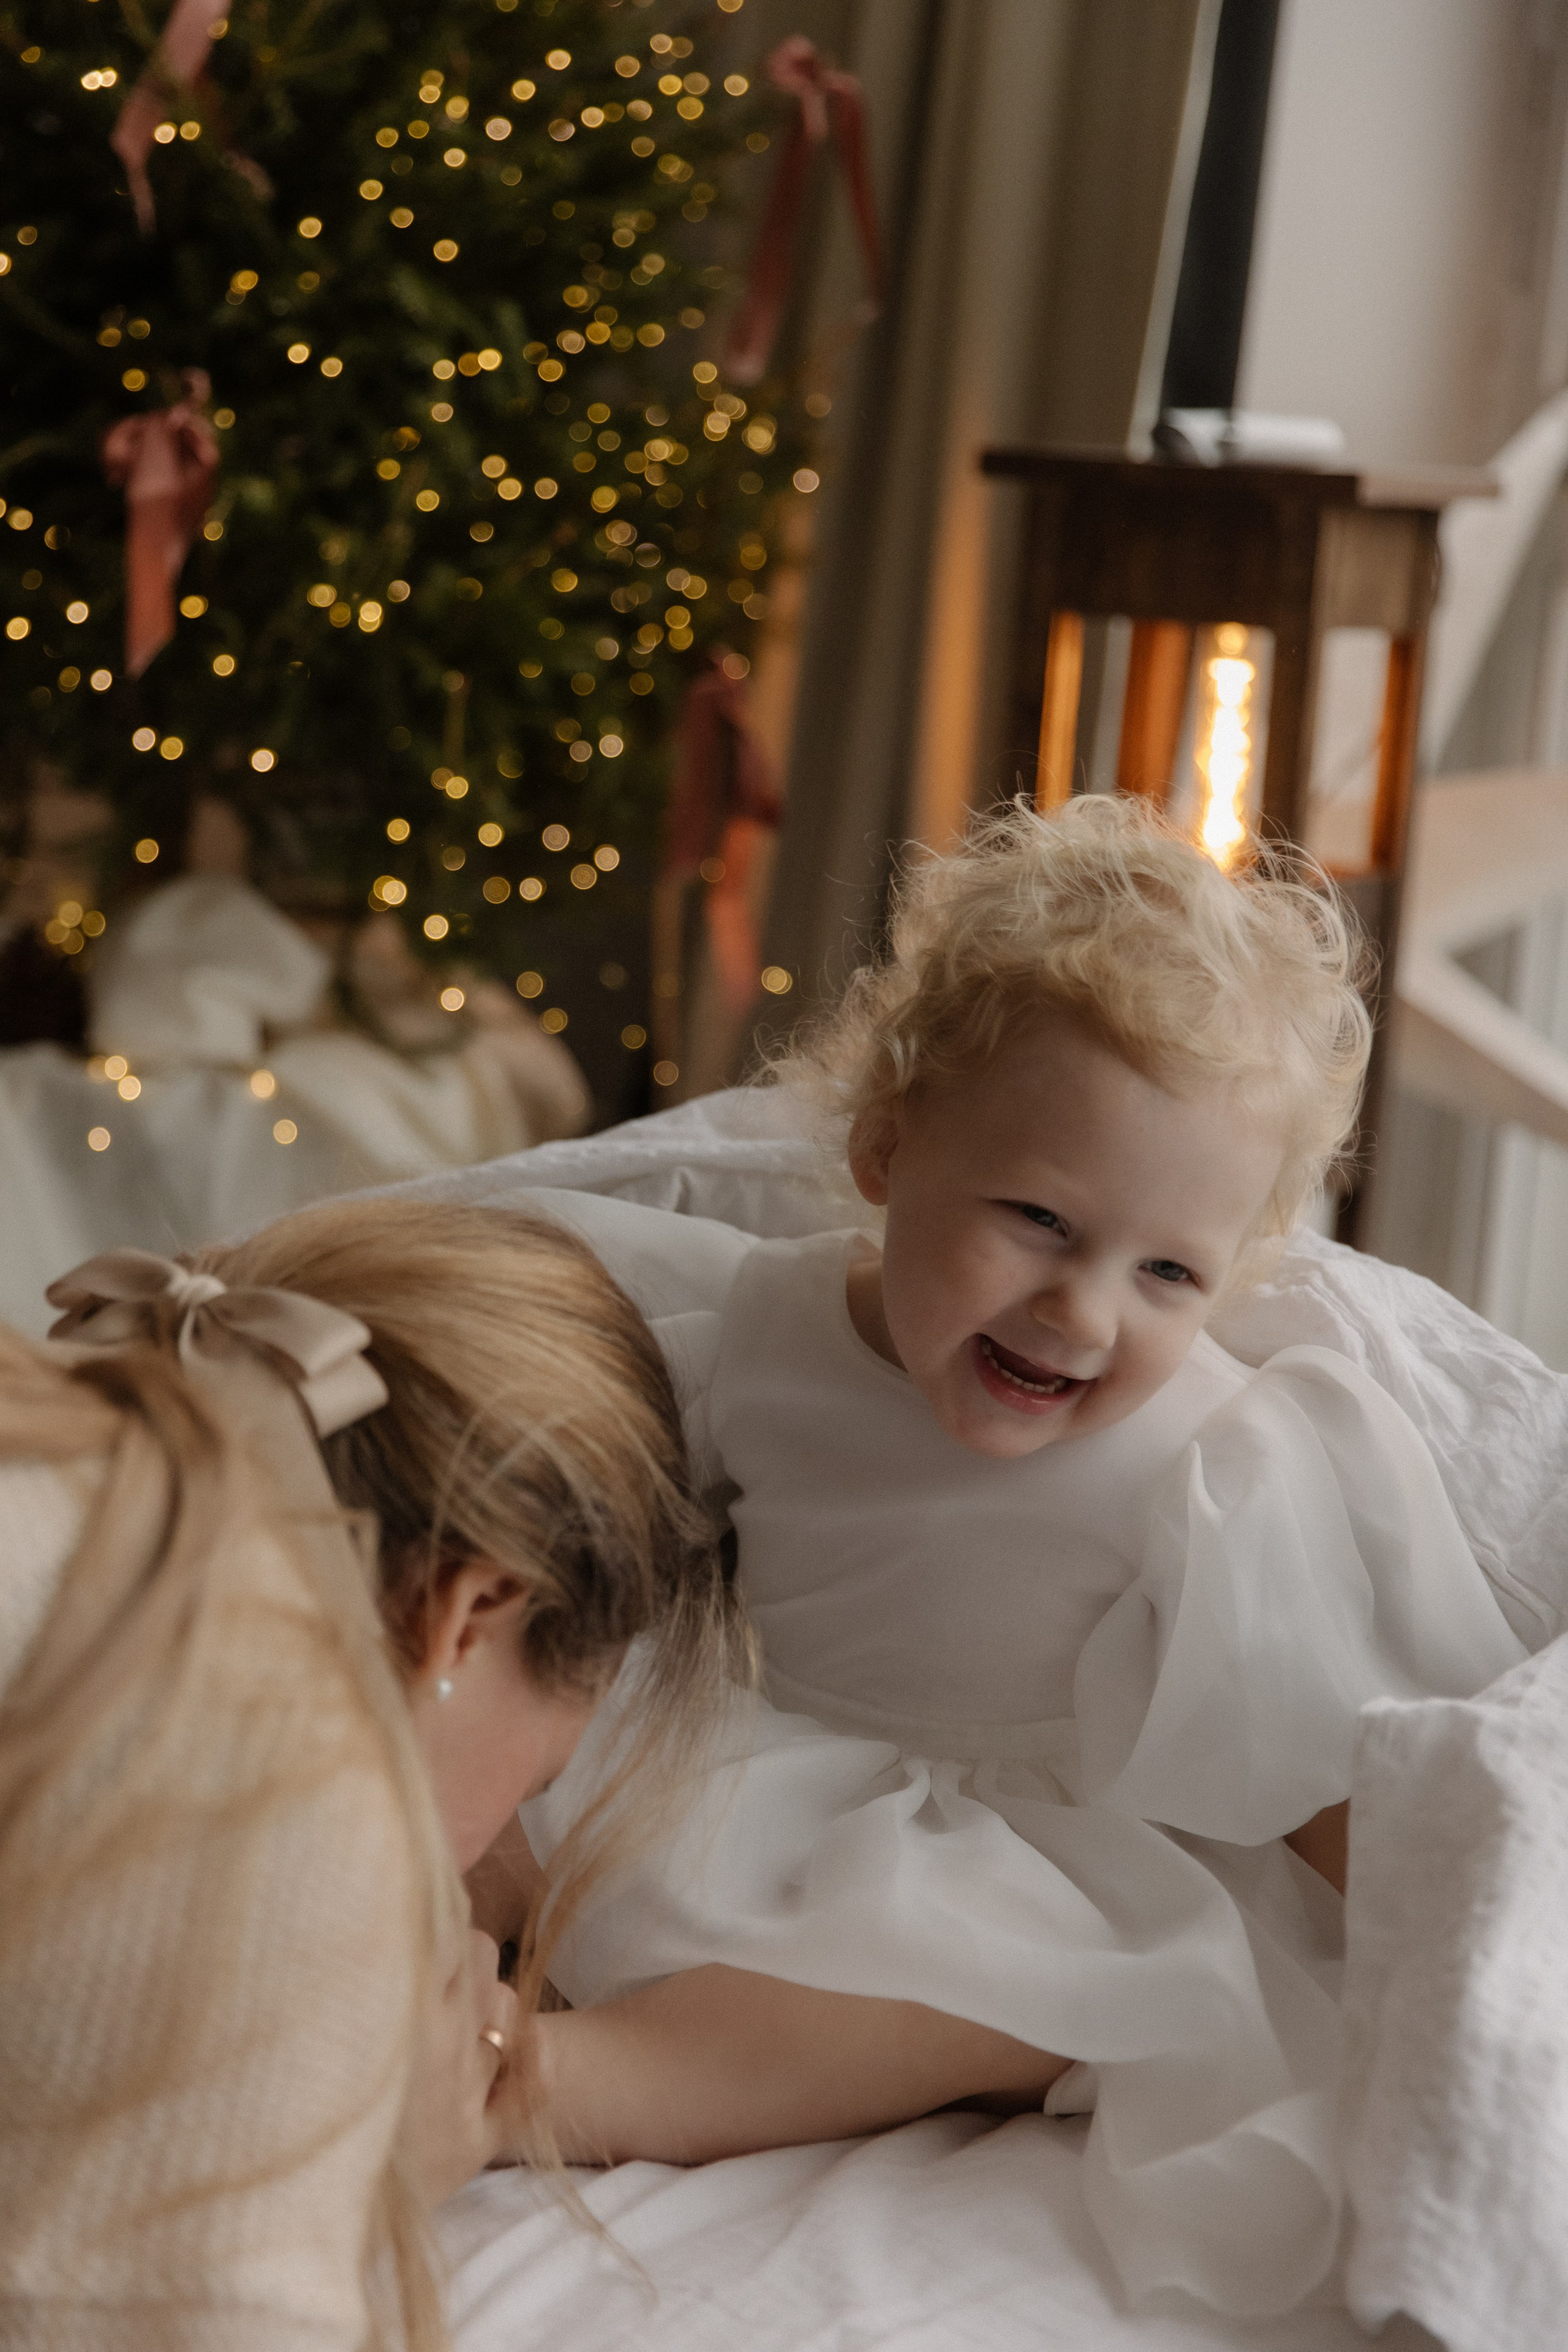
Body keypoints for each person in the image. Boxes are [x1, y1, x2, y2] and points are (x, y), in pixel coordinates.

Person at [502, 797, 1526, 2318]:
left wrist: (1430, 1965)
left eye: (1168, 1270)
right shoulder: (762, 1334)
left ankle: (561, 2086)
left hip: (1022, 1851)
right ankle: (371, 1961)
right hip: (746, 1747)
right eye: (1038, 1220)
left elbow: (1318, 1763)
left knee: (951, 1991)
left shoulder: (1214, 1453)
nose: (1083, 1313)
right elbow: (600, 1496)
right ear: (884, 1147)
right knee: (498, 1798)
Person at [0, 1197, 741, 2352]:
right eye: (531, 1779)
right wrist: (373, 2153)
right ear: (470, 1612)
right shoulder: (287, 1793)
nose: (475, 1859)